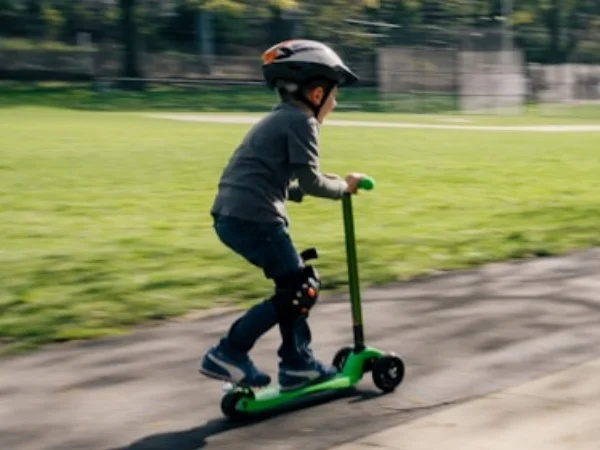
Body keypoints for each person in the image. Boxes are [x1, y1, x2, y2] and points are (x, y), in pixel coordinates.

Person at [199, 39, 367, 392]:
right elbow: (310, 180)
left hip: (233, 214)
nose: (334, 104)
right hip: (255, 218)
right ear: (317, 93)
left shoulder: (280, 119)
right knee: (300, 288)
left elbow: (277, 179)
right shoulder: (302, 122)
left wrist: (303, 189)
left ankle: (296, 364)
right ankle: (231, 352)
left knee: (295, 286)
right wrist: (345, 188)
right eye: (334, 96)